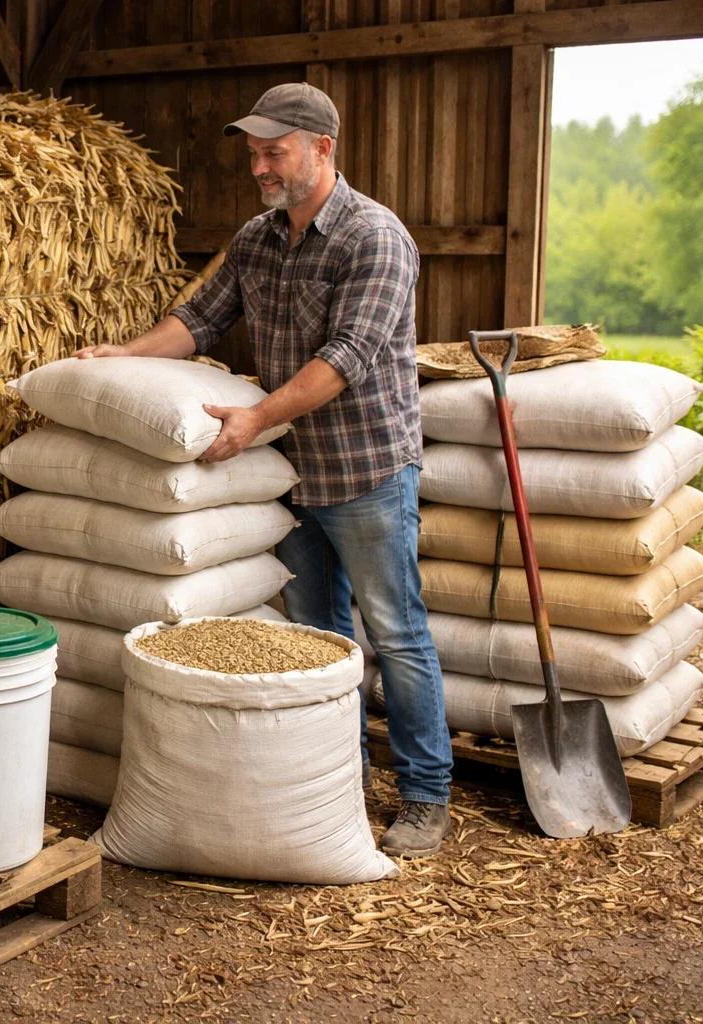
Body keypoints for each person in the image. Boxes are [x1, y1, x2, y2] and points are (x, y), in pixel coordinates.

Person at [76, 82, 453, 858]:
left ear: (322, 148)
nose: (258, 167)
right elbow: (199, 317)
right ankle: (337, 777)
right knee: (313, 634)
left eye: (273, 152)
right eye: (253, 153)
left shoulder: (374, 238)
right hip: (287, 479)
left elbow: (344, 360)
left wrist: (254, 418)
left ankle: (424, 794)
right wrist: (124, 356)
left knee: (395, 632)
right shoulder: (257, 238)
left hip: (366, 469)